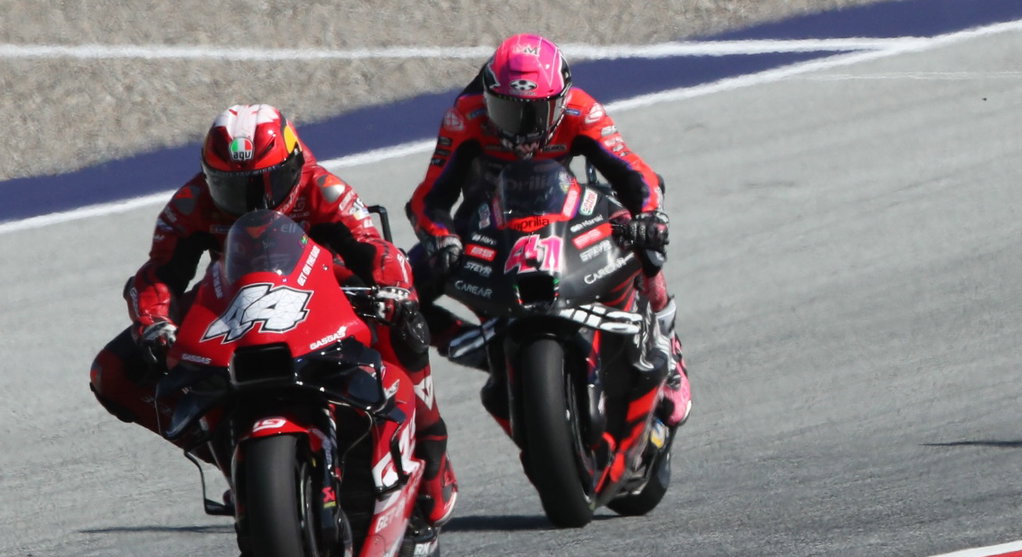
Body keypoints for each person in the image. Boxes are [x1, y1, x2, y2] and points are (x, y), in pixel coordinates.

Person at [90, 104, 459, 526]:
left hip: (329, 291)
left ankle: (431, 451)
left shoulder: (321, 188)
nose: (254, 200)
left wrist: (394, 290)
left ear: (293, 164)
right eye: (234, 188)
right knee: (113, 371)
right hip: (234, 300)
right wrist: (155, 322)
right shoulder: (192, 203)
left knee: (405, 325)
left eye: (266, 183)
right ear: (210, 179)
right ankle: (235, 456)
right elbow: (158, 274)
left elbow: (373, 247)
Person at [405, 32, 691, 428]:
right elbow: (428, 198)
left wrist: (650, 217)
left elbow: (635, 173)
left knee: (635, 231)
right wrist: (442, 238)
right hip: (488, 220)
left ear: (559, 103)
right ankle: (471, 344)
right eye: (507, 111)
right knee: (397, 289)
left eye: (535, 114)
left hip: (564, 209)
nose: (522, 129)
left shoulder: (581, 111)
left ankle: (666, 341)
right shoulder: (466, 117)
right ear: (488, 98)